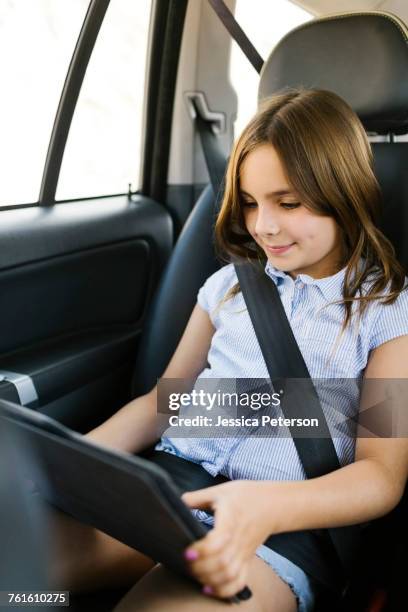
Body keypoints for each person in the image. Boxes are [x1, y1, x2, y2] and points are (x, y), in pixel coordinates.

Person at [52, 88, 408, 612]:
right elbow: (163, 402)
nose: (263, 225)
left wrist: (267, 506)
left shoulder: (385, 310)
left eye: (288, 203)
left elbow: (380, 474)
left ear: (344, 192)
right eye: (249, 202)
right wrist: (68, 463)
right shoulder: (228, 288)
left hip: (281, 524)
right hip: (173, 489)